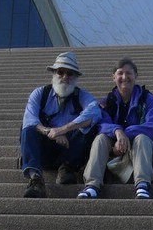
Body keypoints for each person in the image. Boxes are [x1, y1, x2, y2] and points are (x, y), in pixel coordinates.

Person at [77, 57, 153, 199]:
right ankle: (92, 185)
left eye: (129, 73)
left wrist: (124, 134)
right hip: (116, 150)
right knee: (100, 138)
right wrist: (117, 132)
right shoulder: (108, 101)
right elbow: (102, 125)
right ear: (113, 77)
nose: (124, 77)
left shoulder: (147, 99)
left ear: (136, 76)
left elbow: (152, 127)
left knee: (141, 138)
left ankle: (143, 184)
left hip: (144, 149)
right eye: (120, 73)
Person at [20, 51, 102, 198]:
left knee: (90, 126)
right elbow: (30, 119)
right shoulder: (40, 94)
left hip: (70, 148)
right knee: (27, 129)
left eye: (70, 73)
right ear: (54, 73)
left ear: (75, 77)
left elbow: (94, 112)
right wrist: (50, 132)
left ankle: (68, 168)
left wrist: (63, 130)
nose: (65, 77)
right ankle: (36, 179)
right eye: (60, 72)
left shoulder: (81, 96)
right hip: (45, 148)